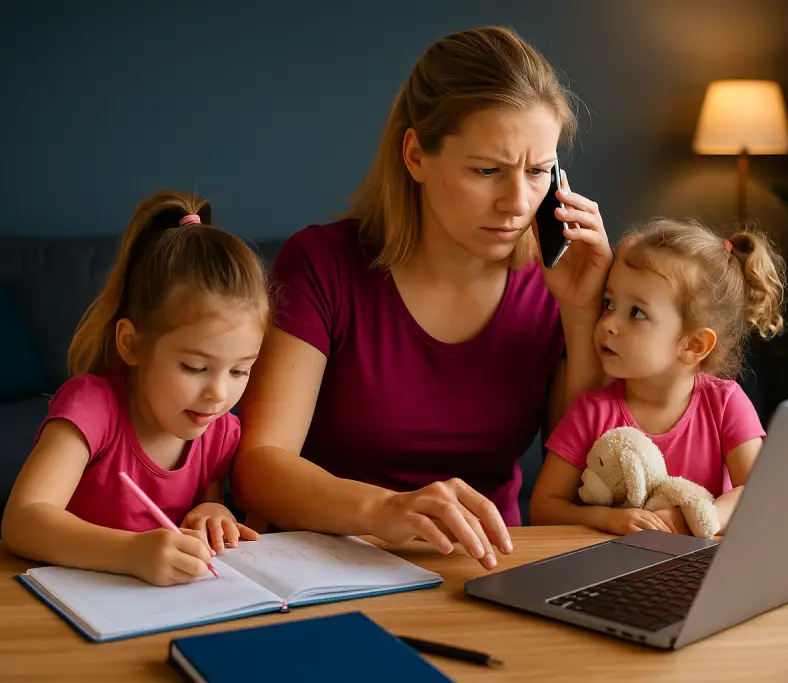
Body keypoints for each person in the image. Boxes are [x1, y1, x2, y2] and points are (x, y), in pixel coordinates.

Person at [232, 26, 613, 570]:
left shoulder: (555, 284)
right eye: (487, 170)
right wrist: (384, 509)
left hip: (491, 566)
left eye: (537, 172)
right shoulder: (322, 264)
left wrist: (581, 314)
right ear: (416, 155)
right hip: (332, 564)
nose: (517, 202)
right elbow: (260, 466)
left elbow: (580, 478)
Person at [1, 191, 267, 586]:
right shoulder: (92, 409)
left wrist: (214, 512)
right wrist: (130, 552)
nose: (218, 393)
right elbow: (23, 520)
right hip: (72, 604)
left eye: (240, 371)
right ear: (131, 344)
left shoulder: (217, 429)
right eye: (194, 367)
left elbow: (205, 504)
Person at [529, 218, 788, 537]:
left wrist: (696, 519)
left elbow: (760, 492)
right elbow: (543, 507)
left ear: (694, 345)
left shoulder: (725, 404)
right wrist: (606, 519)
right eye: (609, 303)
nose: (608, 323)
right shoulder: (593, 411)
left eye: (636, 313)